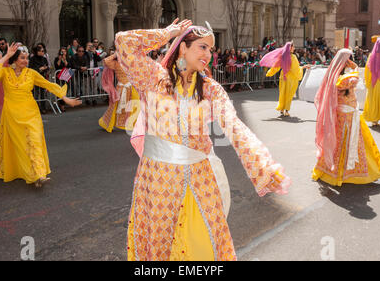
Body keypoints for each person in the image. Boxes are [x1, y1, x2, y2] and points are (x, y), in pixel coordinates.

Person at [115, 19, 291, 261]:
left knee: (204, 247)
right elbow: (123, 42)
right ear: (183, 48)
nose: (209, 54)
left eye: (211, 49)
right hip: (157, 179)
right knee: (160, 246)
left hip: (200, 179)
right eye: (202, 47)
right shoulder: (152, 78)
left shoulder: (210, 88)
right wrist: (167, 33)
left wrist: (263, 165)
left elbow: (234, 126)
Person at [0, 43, 82, 187]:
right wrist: (6, 56)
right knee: (20, 146)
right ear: (14, 60)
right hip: (12, 115)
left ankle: (38, 175)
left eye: (27, 58)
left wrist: (65, 99)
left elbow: (48, 85)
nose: (26, 61)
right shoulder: (5, 72)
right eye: (22, 58)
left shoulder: (31, 73)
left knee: (34, 141)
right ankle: (22, 171)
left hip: (30, 113)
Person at [312, 49, 380, 187]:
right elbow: (354, 80)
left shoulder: (338, 77)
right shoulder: (342, 80)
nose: (351, 61)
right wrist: (354, 67)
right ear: (345, 62)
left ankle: (377, 171)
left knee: (361, 143)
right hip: (346, 118)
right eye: (349, 58)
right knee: (345, 145)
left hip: (351, 116)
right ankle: (340, 174)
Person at [260, 42, 309, 117]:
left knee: (282, 93)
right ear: (290, 48)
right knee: (289, 95)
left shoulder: (283, 56)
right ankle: (286, 110)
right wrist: (302, 67)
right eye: (293, 47)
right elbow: (295, 69)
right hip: (290, 79)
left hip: (283, 77)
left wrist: (269, 73)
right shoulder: (293, 57)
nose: (294, 48)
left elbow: (276, 67)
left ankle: (281, 109)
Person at [98, 54, 140, 132]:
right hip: (121, 88)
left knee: (135, 105)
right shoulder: (115, 63)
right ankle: (107, 123)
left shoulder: (132, 62)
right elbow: (106, 61)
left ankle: (134, 124)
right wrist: (115, 54)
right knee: (114, 107)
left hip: (131, 88)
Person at [29, 45, 50, 114]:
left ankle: (43, 108)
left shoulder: (44, 59)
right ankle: (35, 108)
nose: (43, 52)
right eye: (42, 51)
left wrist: (45, 69)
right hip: (35, 79)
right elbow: (30, 69)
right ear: (37, 52)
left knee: (42, 94)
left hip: (42, 78)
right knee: (35, 94)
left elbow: (47, 66)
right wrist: (39, 69)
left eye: (44, 51)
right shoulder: (32, 59)